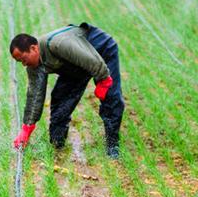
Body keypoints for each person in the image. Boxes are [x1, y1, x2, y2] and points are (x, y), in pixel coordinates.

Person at [10, 22, 125, 158]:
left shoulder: (58, 44)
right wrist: (27, 127)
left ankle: (112, 145)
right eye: (20, 62)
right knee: (60, 99)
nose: (24, 64)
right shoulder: (33, 66)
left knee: (110, 98)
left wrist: (104, 81)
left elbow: (91, 60)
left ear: (33, 48)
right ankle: (57, 143)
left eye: (24, 59)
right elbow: (35, 96)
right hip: (75, 65)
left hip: (100, 49)